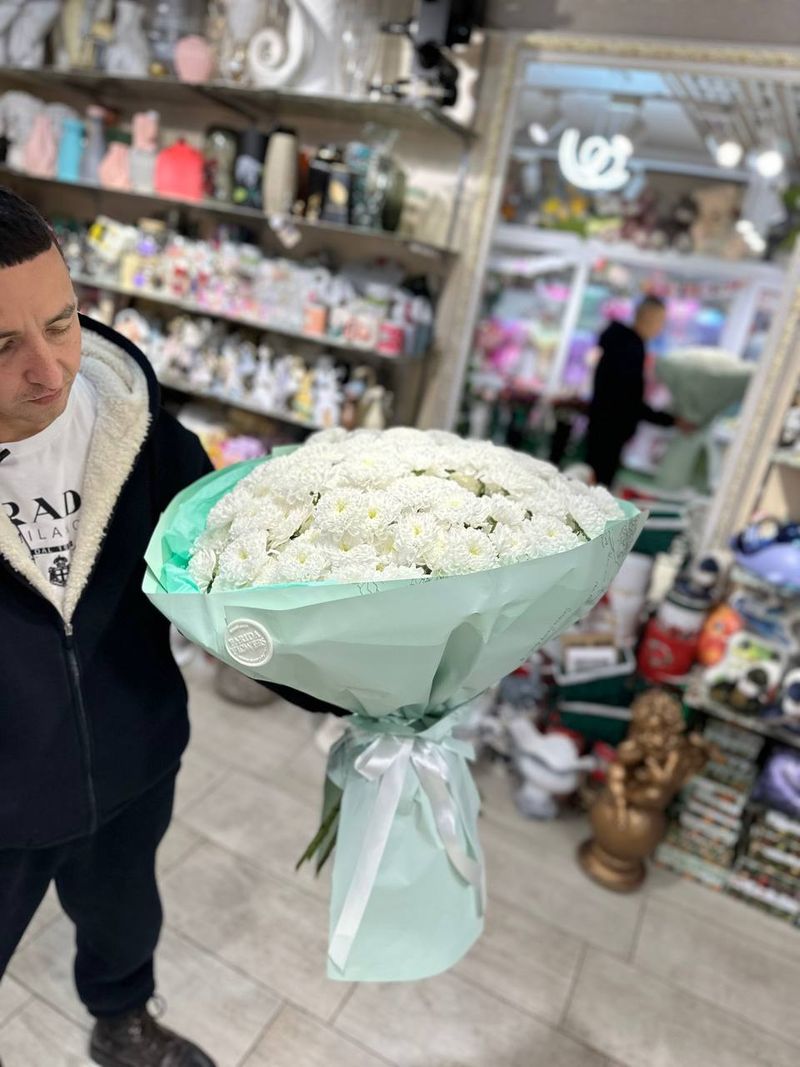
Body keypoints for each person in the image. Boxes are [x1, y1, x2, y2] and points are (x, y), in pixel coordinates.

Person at [0, 188, 342, 1066]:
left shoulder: (138, 430)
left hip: (134, 758)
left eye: (62, 323)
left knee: (124, 915)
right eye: (1, 347)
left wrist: (350, 682)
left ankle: (122, 1019)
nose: (49, 371)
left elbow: (232, 582)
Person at [585, 295, 675, 487]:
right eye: (660, 321)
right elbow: (628, 398)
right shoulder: (629, 347)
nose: (660, 327)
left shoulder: (624, 343)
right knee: (597, 486)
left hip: (604, 424)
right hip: (610, 428)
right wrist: (671, 420)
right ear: (648, 317)